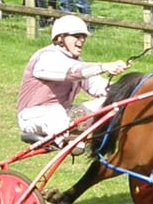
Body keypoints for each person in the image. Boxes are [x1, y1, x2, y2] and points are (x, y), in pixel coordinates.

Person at [17, 15, 128, 143]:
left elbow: (97, 86)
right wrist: (104, 67)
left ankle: (82, 137)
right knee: (55, 112)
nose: (81, 40)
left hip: (64, 115)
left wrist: (125, 91)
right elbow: (72, 72)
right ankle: (70, 141)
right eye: (76, 36)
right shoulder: (45, 57)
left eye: (83, 37)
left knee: (109, 104)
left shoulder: (78, 62)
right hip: (33, 117)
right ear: (60, 38)